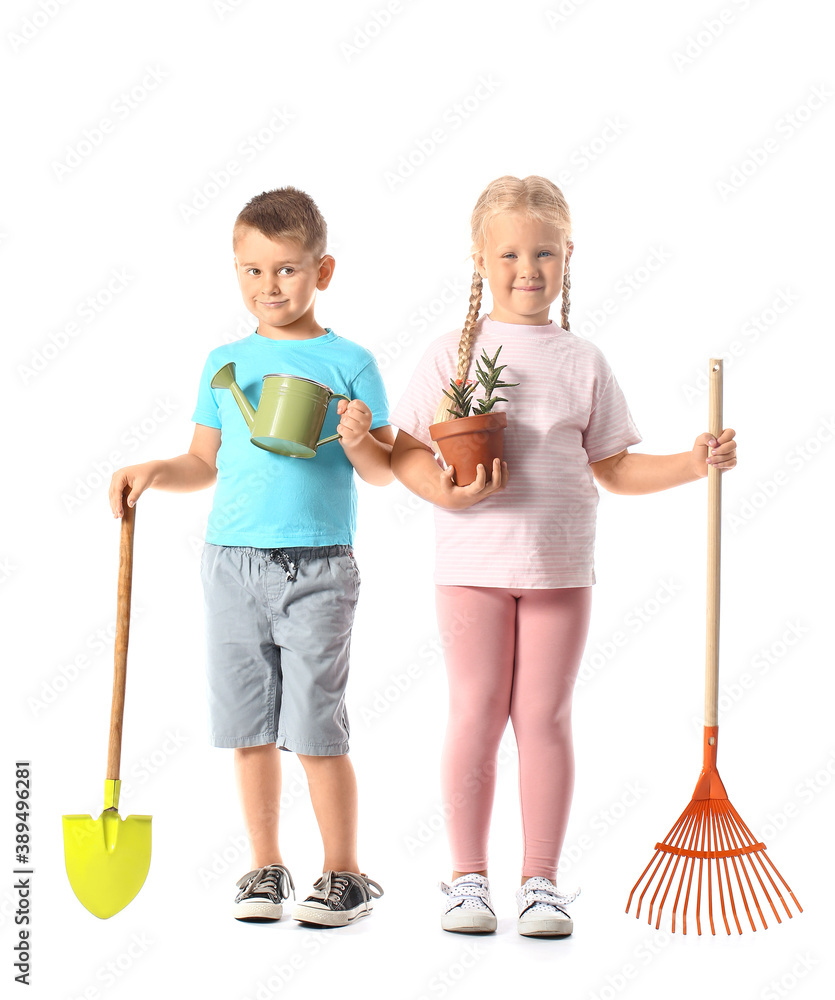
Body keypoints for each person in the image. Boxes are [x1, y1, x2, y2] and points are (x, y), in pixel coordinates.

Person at [388, 174, 737, 938]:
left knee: (543, 717)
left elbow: (612, 468)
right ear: (478, 258)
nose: (527, 269)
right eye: (509, 253)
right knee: (475, 713)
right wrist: (443, 494)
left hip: (558, 569)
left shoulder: (583, 361)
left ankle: (540, 880)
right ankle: (466, 878)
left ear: (568, 256)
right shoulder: (452, 355)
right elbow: (404, 451)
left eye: (543, 253)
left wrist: (691, 461)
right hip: (471, 566)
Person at [108, 186, 392, 927]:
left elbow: (382, 469)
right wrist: (152, 473)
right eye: (252, 270)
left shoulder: (350, 362)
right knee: (248, 728)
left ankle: (344, 873)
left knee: (316, 729)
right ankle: (265, 865)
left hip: (319, 567)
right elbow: (204, 460)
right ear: (236, 270)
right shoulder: (223, 362)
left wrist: (361, 437)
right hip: (229, 563)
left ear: (322, 271)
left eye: (287, 270)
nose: (269, 287)